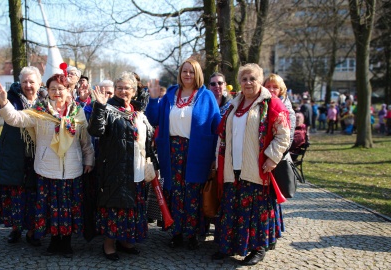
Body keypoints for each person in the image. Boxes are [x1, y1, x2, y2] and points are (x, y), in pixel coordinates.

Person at [0, 73, 94, 257]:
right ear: (47, 91)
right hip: (47, 170)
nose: (56, 92)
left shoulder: (77, 113)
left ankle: (67, 244)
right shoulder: (40, 112)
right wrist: (4, 104)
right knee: (49, 209)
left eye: (60, 89)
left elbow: (85, 141)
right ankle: (54, 243)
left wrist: (89, 160)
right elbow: (16, 119)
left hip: (72, 170)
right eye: (52, 89)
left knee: (69, 209)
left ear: (68, 90)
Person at [212, 63, 290, 266]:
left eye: (252, 79)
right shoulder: (234, 104)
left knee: (256, 211)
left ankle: (258, 248)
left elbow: (283, 135)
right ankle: (227, 245)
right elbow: (222, 134)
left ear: (259, 80)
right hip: (232, 167)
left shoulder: (270, 104)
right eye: (244, 79)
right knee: (231, 207)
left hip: (256, 169)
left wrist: (272, 158)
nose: (248, 82)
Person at [146, 58, 221, 250]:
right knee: (176, 192)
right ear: (180, 73)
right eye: (184, 71)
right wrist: (153, 99)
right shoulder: (171, 94)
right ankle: (177, 232)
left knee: (194, 191)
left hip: (197, 150)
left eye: (191, 71)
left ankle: (193, 233)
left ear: (198, 74)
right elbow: (153, 119)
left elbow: (217, 127)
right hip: (172, 150)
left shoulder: (206, 96)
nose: (187, 75)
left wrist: (214, 157)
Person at [88, 71, 158, 261]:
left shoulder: (138, 113)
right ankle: (109, 244)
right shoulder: (108, 110)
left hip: (136, 168)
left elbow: (147, 139)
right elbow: (96, 130)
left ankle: (126, 241)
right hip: (115, 169)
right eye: (119, 88)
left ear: (133, 91)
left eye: (127, 88)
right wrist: (100, 106)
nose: (122, 91)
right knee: (115, 206)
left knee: (131, 206)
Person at [0, 56, 42, 247]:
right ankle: (16, 229)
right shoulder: (11, 98)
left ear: (39, 83)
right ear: (19, 83)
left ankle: (32, 231)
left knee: (35, 194)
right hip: (14, 156)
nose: (28, 85)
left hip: (39, 156)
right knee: (15, 193)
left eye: (32, 81)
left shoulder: (45, 100)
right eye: (24, 81)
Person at [264, 73, 296, 145]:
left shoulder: (287, 110)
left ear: (280, 90)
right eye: (268, 86)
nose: (271, 90)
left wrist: (271, 155)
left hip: (276, 154)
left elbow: (287, 139)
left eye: (275, 87)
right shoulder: (260, 106)